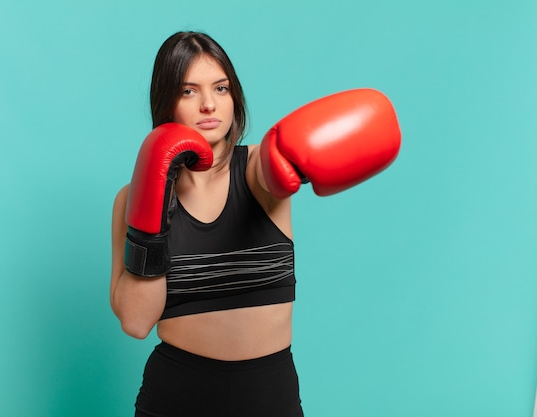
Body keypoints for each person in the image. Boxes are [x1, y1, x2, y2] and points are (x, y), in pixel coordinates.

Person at [110, 31, 401, 417]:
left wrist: (288, 156)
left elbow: (273, 169)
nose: (209, 104)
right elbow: (135, 321)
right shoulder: (133, 197)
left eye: (221, 87)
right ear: (167, 102)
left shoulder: (259, 169)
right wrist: (153, 204)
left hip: (268, 396)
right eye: (189, 91)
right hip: (174, 396)